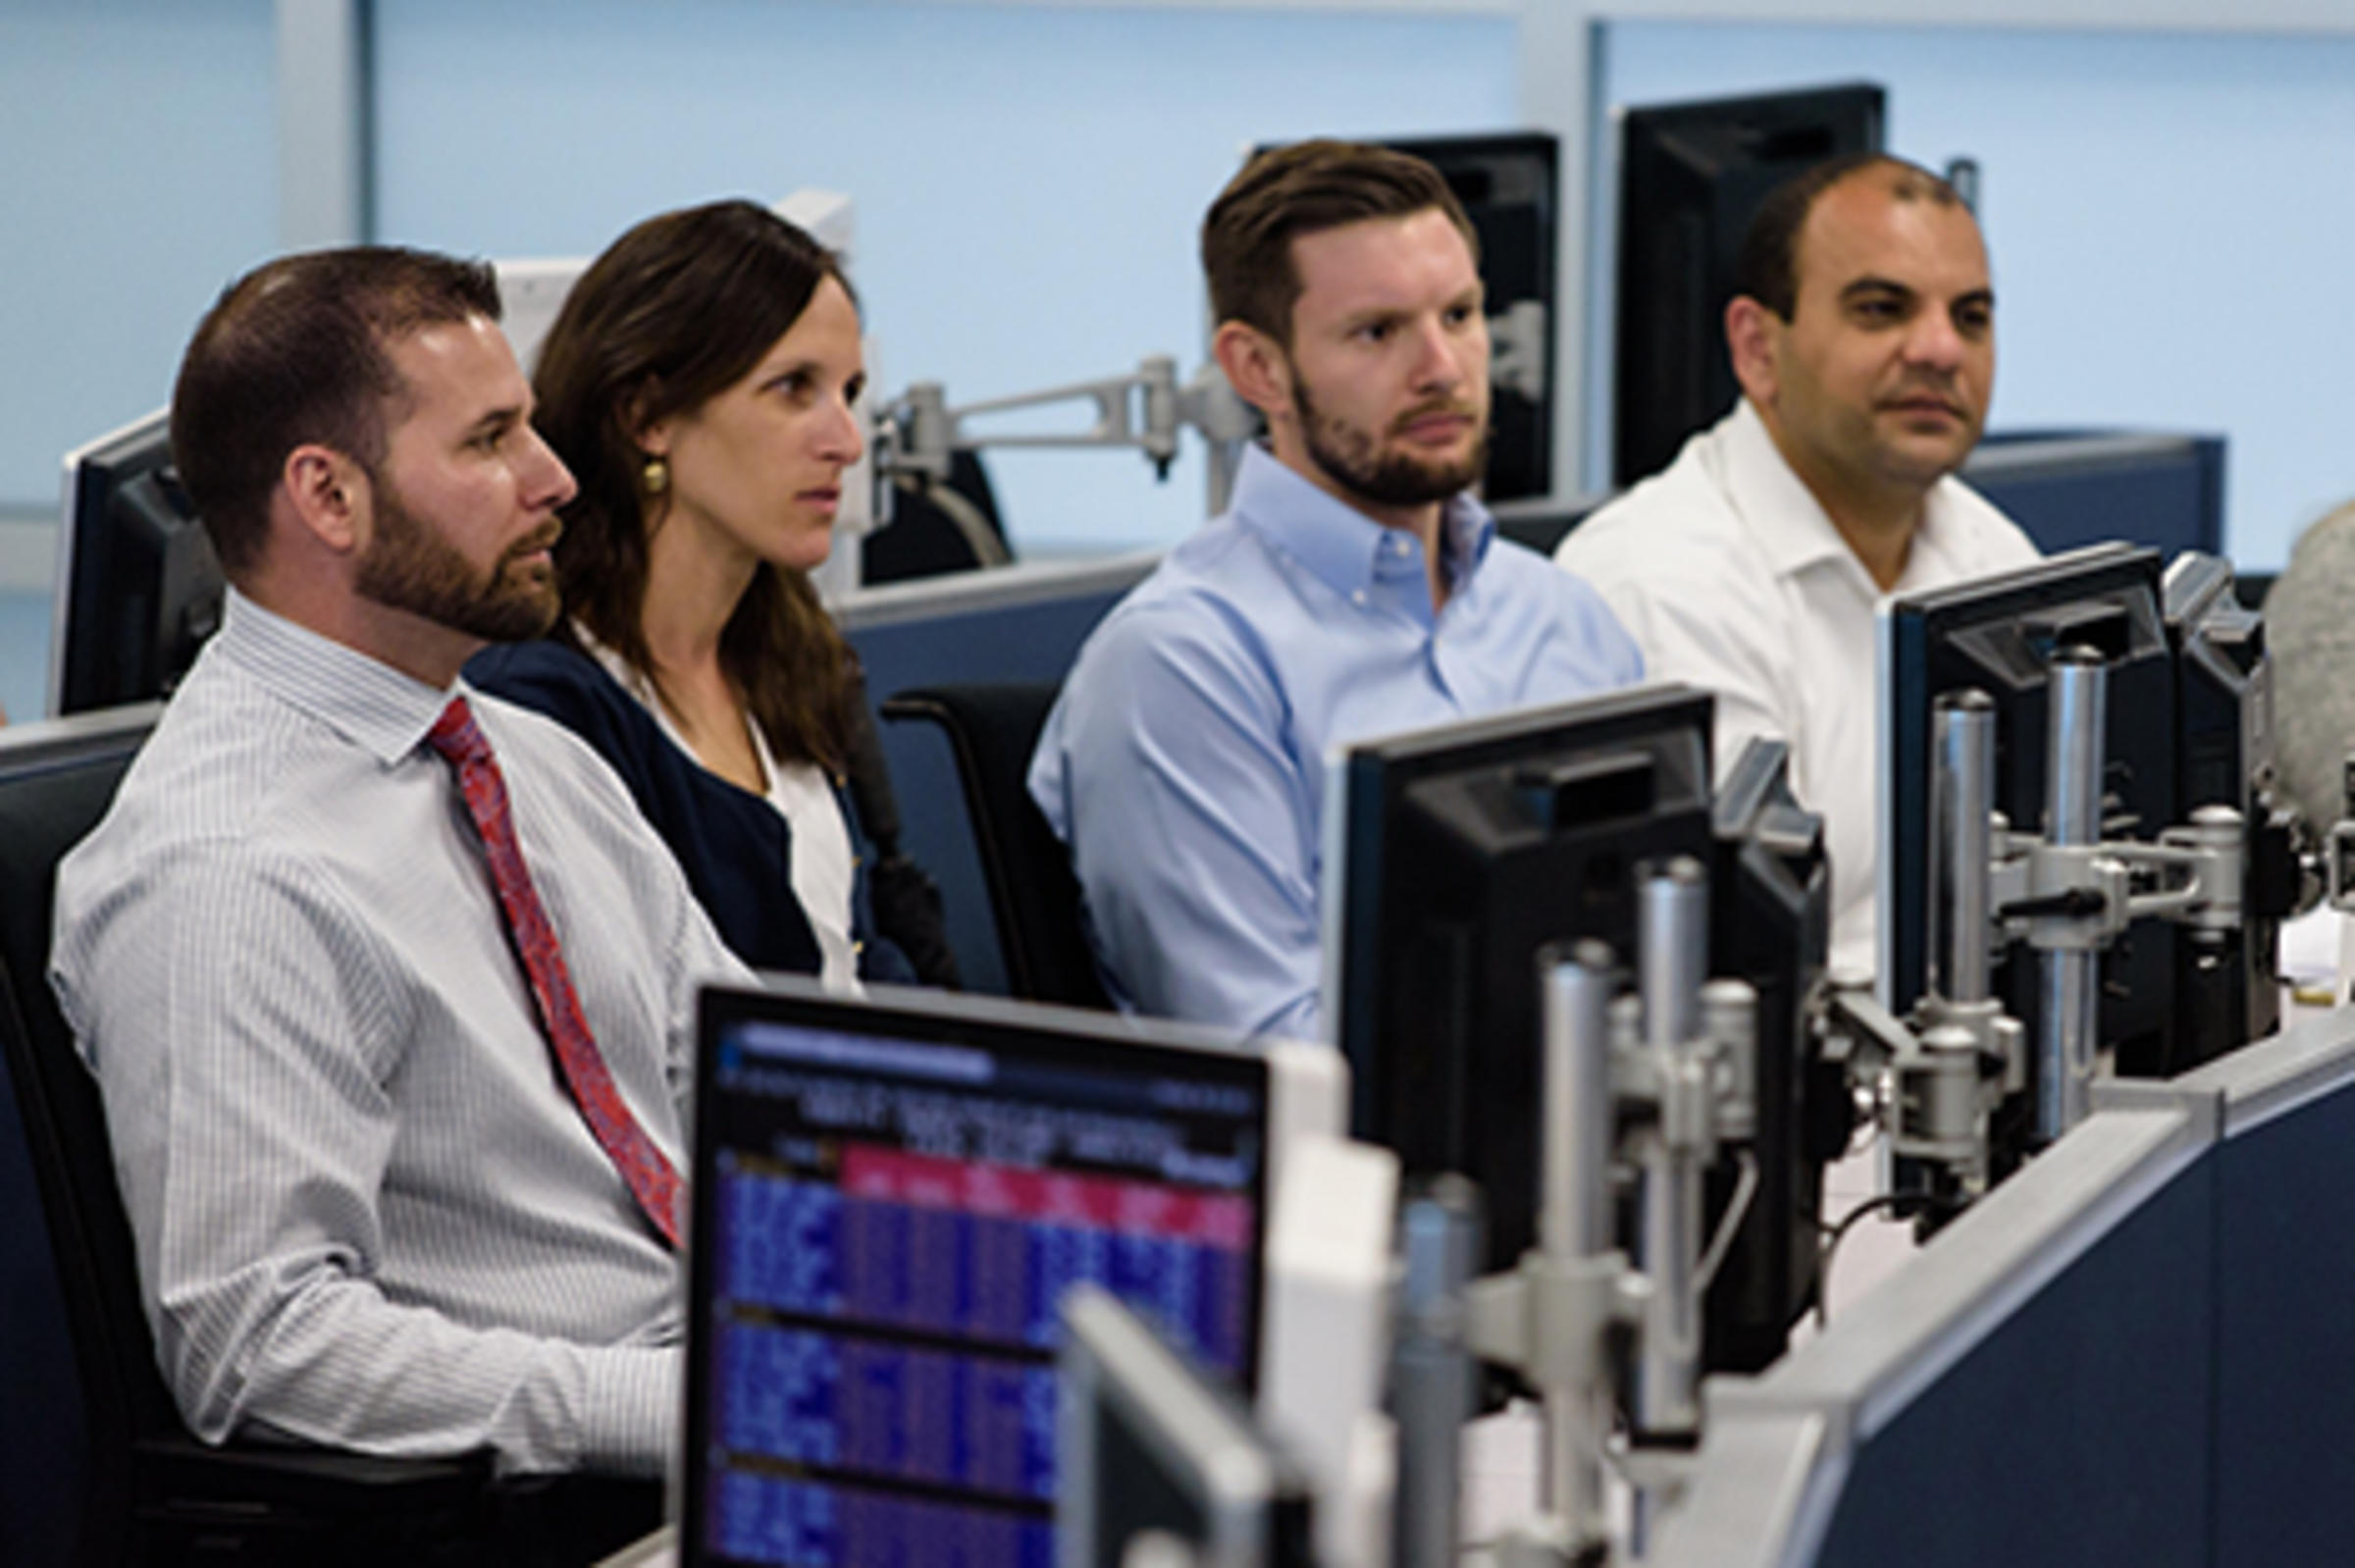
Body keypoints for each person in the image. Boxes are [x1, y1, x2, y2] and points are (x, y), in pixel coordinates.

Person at [50, 247, 752, 1488]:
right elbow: (259, 1344)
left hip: (745, 1390)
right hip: (569, 1492)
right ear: (328, 496)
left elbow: (739, 1086)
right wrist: (695, 1404)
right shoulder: (229, 868)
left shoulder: (533, 760)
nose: (557, 479)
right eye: (490, 441)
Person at [1029, 138, 1643, 1040]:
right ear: (1257, 370)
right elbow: (1271, 1046)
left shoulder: (1563, 616)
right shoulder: (1183, 661)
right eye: (1378, 331)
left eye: (1462, 315)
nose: (1443, 367)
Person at [1557, 152, 2038, 983]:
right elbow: (1739, 957)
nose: (1938, 349)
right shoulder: (1658, 583)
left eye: (1971, 317)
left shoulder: (1991, 555)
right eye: (1881, 310)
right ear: (1756, 348)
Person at [468, 199, 956, 990]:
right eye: (794, 388)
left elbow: (862, 957)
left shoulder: (796, 661)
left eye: (851, 391)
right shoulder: (540, 707)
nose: (847, 441)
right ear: (649, 414)